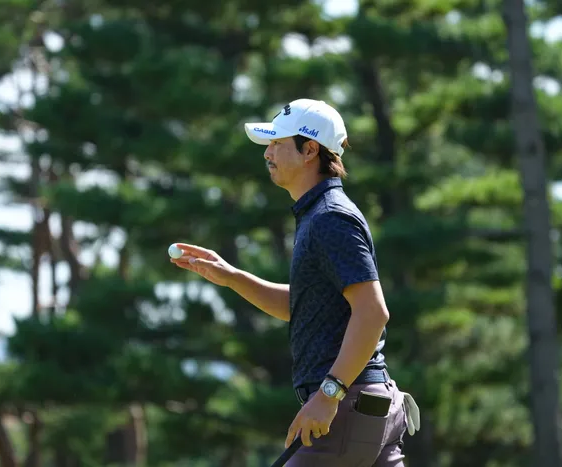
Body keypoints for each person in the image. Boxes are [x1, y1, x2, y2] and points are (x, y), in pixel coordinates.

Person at [170, 98, 419, 466]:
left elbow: (372, 312)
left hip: (348, 407)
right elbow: (308, 306)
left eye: (277, 143)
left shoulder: (330, 217)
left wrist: (329, 394)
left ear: (310, 151)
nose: (267, 153)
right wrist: (232, 277)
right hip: (368, 407)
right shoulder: (318, 213)